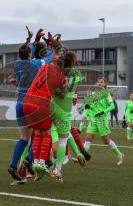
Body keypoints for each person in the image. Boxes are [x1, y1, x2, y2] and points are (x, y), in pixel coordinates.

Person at [8, 28, 53, 181]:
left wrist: (32, 42)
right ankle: (28, 160)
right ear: (30, 54)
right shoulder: (35, 64)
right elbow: (49, 58)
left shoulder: (17, 64)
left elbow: (25, 52)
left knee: (23, 137)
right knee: (40, 134)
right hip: (31, 103)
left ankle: (13, 165)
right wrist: (49, 45)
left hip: (19, 103)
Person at [23, 51, 76, 181]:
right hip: (48, 105)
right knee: (51, 135)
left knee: (36, 132)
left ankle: (35, 162)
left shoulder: (44, 67)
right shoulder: (65, 76)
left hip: (28, 101)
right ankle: (46, 164)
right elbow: (62, 94)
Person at [83, 77, 124, 166]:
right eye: (99, 82)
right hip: (93, 120)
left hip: (102, 120)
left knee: (106, 141)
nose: (100, 83)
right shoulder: (93, 94)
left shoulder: (106, 93)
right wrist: (85, 115)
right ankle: (83, 157)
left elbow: (112, 106)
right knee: (88, 138)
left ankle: (120, 155)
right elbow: (89, 105)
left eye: (102, 82)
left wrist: (103, 111)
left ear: (105, 84)